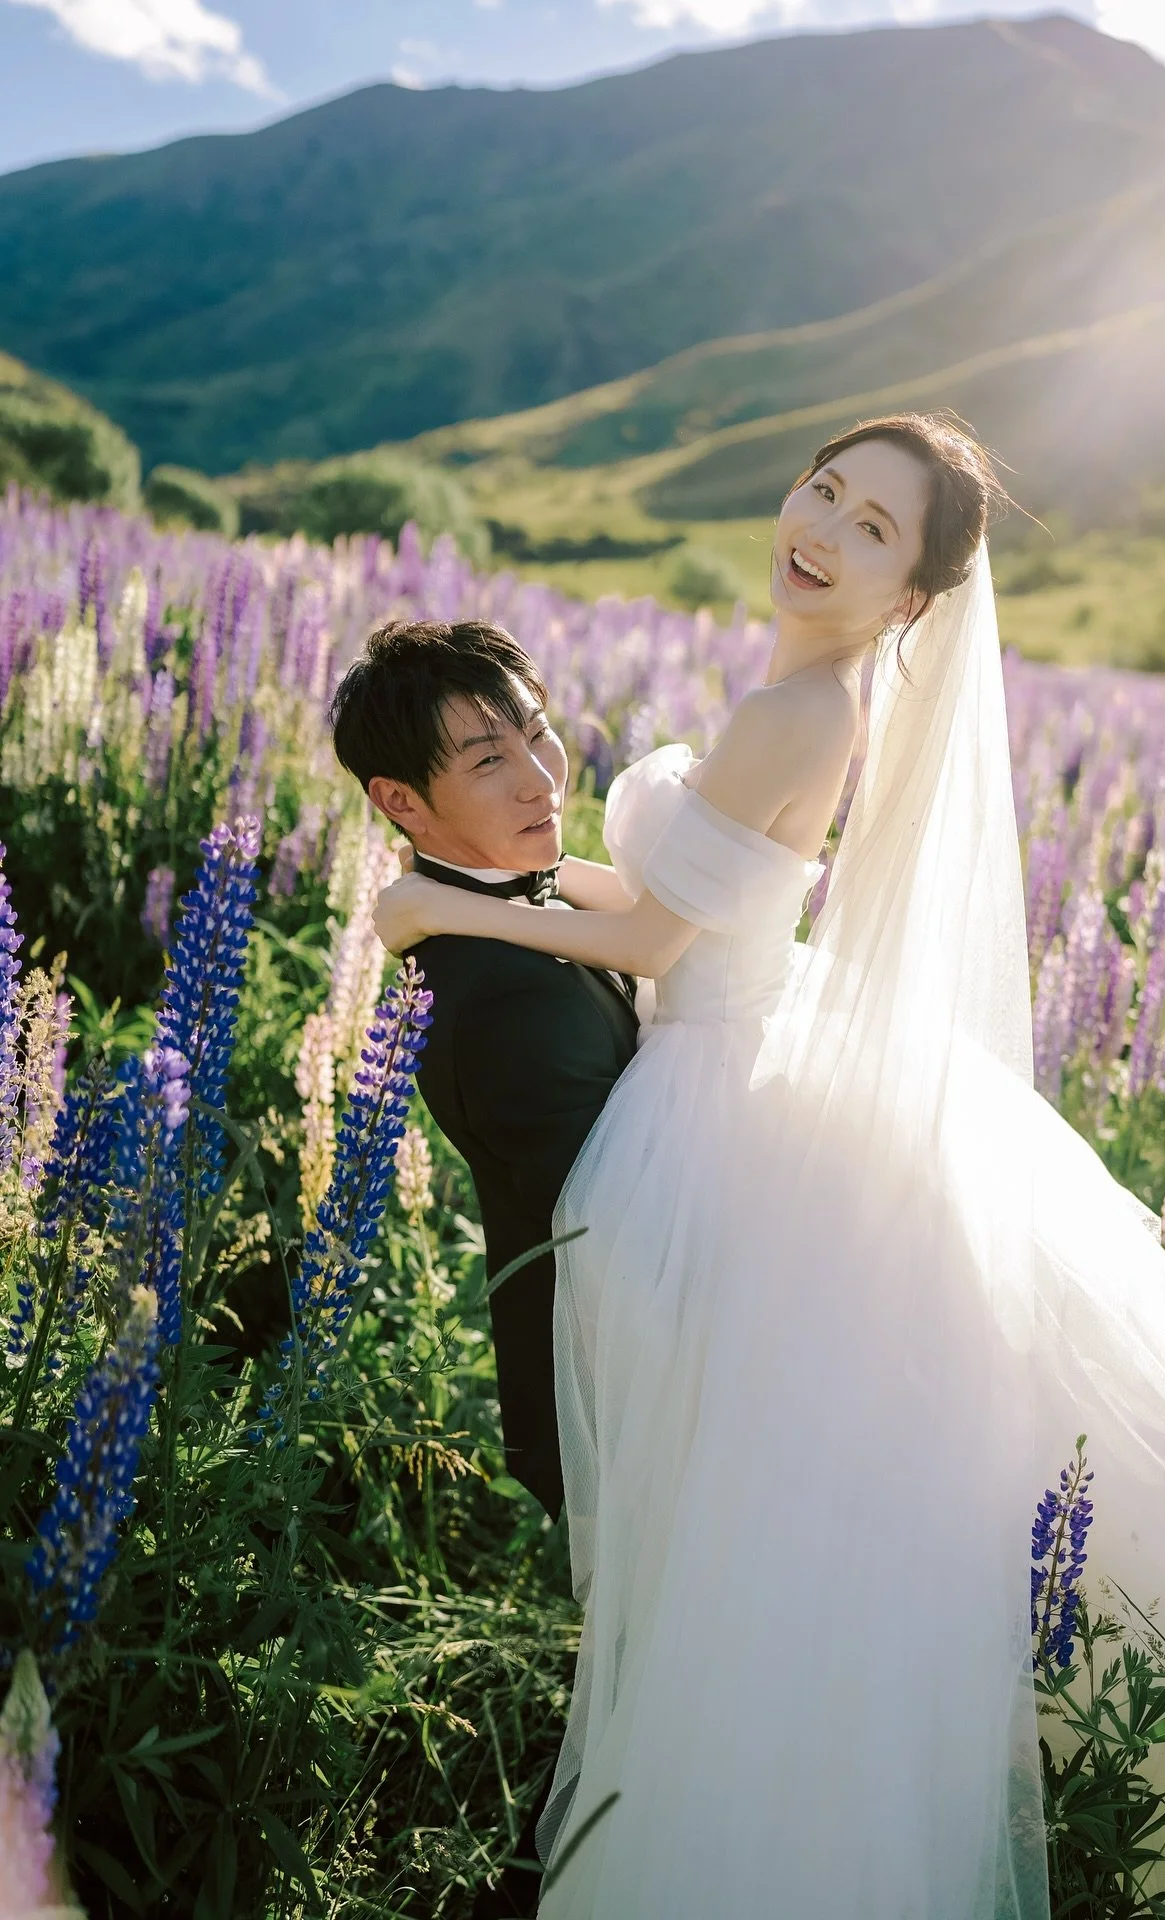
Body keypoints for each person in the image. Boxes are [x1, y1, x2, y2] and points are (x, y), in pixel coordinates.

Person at [373, 415, 1165, 1918]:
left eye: (874, 528)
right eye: (825, 488)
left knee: (757, 1513)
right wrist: (478, 882)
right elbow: (671, 889)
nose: (821, 526)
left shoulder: (804, 710)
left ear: (911, 597)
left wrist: (446, 912)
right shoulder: (816, 691)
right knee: (777, 1501)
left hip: (714, 1092)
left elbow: (647, 944)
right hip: (745, 1048)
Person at [330, 619, 639, 1917]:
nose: (541, 778)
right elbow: (635, 1225)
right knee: (666, 1705)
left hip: (643, 1366)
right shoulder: (495, 1000)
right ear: (402, 803)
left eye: (538, 732)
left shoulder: (519, 915)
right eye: (488, 758)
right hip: (629, 1388)